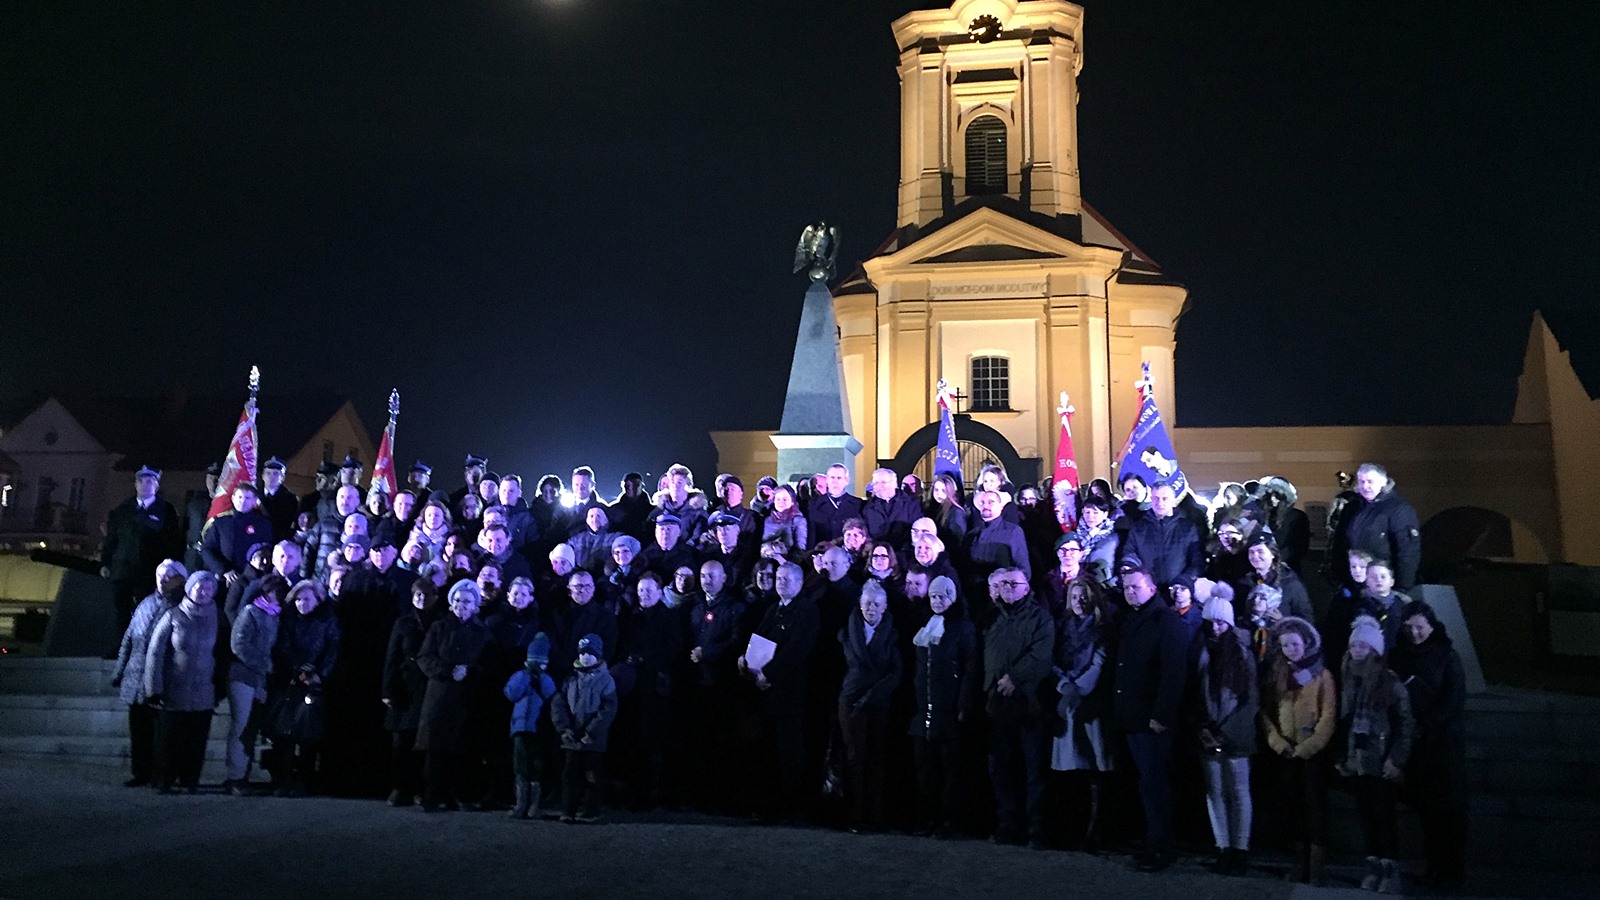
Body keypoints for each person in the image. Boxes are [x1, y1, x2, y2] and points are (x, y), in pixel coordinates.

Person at [1111, 563, 1190, 872]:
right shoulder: (1132, 618)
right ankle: (1149, 840)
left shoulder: (1165, 621)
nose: (1130, 592)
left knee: (1154, 784)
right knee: (1144, 784)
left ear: (1152, 587)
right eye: (1127, 587)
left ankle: (1161, 845)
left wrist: (1161, 714)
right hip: (1131, 715)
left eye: (1136, 587)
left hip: (1150, 719)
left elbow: (1173, 673)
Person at [1391, 600, 1468, 892]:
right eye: (1409, 627)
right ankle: (1433, 867)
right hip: (1416, 747)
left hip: (1443, 745)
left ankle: (1451, 871)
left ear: (1431, 626)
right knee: (1426, 814)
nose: (1415, 633)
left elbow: (1454, 699)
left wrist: (1427, 724)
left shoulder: (1447, 656)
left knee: (1448, 812)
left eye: (1419, 627)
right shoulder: (1400, 656)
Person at [1336, 616, 1414, 893]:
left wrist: (1396, 758)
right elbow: (1343, 721)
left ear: (1375, 650)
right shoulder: (1347, 678)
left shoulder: (1389, 683)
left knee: (1383, 816)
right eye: (1354, 645)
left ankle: (1390, 870)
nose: (1357, 650)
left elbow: (1405, 724)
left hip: (1380, 759)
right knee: (1366, 816)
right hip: (1356, 759)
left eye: (1363, 646)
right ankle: (1373, 867)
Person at [1259, 616, 1337, 885]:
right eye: (1285, 645)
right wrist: (1279, 743)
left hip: (1312, 753)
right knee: (1292, 806)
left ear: (1306, 643)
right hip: (1286, 752)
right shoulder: (1277, 674)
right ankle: (1298, 859)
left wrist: (1309, 746)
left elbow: (1328, 715)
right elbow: (1266, 713)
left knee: (1315, 808)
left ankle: (1317, 866)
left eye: (1294, 644)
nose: (1291, 650)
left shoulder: (1322, 675)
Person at [742, 561, 820, 822]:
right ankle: (768, 803)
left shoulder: (807, 612)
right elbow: (760, 637)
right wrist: (746, 660)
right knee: (768, 750)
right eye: (778, 579)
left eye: (787, 579)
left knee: (790, 751)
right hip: (766, 693)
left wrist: (769, 673)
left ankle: (792, 806)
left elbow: (796, 651)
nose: (781, 583)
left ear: (799, 583)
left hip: (790, 693)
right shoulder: (774, 609)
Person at [982, 566, 1055, 847]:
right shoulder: (993, 616)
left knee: (1033, 768)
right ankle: (1008, 823)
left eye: (1015, 583)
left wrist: (1015, 678)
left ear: (1027, 588)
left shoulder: (1040, 617)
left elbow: (1041, 654)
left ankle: (1036, 826)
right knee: (1002, 767)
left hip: (1029, 704)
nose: (1009, 589)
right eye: (1004, 584)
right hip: (996, 703)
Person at [905, 574, 978, 838]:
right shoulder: (924, 624)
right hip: (923, 707)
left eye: (942, 597)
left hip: (948, 708)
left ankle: (951, 821)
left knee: (950, 770)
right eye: (933, 596)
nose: (937, 601)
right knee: (926, 768)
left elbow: (969, 667)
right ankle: (929, 818)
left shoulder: (962, 627)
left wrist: (963, 703)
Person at [1191, 596, 1258, 876]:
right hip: (1209, 731)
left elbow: (1250, 698)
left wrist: (1226, 731)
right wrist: (1205, 728)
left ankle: (1240, 849)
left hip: (1235, 733)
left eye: (1220, 622)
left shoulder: (1242, 654)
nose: (1215, 627)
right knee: (1215, 791)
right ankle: (1223, 847)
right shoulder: (1202, 651)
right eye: (1211, 622)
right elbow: (1195, 692)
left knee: (1239, 791)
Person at [1048, 577, 1113, 850]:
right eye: (1074, 596)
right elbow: (1050, 660)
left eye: (1084, 596)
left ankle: (1095, 831)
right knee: (1069, 773)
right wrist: (1063, 685)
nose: (1079, 602)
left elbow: (1099, 663)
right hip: (1066, 704)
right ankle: (1069, 830)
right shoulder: (1061, 626)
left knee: (1094, 771)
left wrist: (1077, 689)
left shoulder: (1103, 629)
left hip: (1090, 705)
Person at [415, 580, 491, 812]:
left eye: (467, 602)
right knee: (435, 749)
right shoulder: (439, 627)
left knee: (462, 748)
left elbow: (488, 662)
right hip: (440, 694)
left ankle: (460, 795)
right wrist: (448, 671)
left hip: (467, 696)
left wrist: (469, 672)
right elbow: (424, 657)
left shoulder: (482, 632)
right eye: (457, 601)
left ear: (475, 606)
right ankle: (432, 794)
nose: (461, 606)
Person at [143, 570, 221, 794]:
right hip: (174, 689)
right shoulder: (173, 616)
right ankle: (165, 779)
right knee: (169, 740)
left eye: (208, 588)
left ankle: (190, 780)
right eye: (199, 586)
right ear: (189, 588)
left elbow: (223, 652)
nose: (203, 591)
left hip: (203, 691)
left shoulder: (218, 617)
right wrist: (153, 688)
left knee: (196, 741)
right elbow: (155, 652)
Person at [110, 558, 186, 787]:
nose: (163, 579)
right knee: (139, 730)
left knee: (160, 732)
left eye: (169, 575)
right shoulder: (145, 603)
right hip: (135, 678)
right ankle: (140, 772)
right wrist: (119, 671)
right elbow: (128, 640)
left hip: (161, 680)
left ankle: (160, 773)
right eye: (160, 575)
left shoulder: (180, 606)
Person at [836, 580, 901, 832]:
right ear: (859, 605)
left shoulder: (892, 635)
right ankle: (854, 815)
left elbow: (896, 672)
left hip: (879, 702)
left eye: (876, 604)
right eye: (867, 603)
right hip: (851, 701)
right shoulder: (847, 632)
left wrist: (874, 693)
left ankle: (874, 815)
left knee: (876, 758)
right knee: (854, 757)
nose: (871, 608)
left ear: (884, 608)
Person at [266, 579, 339, 797]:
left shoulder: (328, 620)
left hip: (315, 682)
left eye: (306, 599)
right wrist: (298, 670)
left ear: (317, 599)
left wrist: (318, 674)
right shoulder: (287, 620)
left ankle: (303, 780)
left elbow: (332, 650)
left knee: (309, 734)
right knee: (285, 733)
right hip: (290, 680)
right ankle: (283, 779)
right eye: (298, 599)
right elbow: (282, 647)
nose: (301, 603)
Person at [100, 465, 184, 633]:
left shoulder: (166, 510)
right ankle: (122, 646)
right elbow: (111, 539)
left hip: (150, 570)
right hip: (122, 569)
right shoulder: (123, 509)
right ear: (135, 484)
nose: (145, 485)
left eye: (149, 481)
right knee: (121, 610)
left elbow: (174, 540)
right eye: (140, 481)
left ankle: (143, 645)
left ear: (157, 485)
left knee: (147, 610)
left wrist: (172, 566)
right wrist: (105, 562)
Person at [224, 573, 287, 795]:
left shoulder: (277, 616)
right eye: (273, 591)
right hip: (243, 676)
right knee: (241, 725)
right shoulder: (251, 612)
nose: (277, 595)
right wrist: (264, 664)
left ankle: (243, 772)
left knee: (251, 727)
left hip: (261, 680)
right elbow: (239, 644)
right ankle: (235, 776)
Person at [382, 579, 440, 807]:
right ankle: (399, 787)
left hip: (427, 686)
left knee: (422, 742)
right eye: (418, 595)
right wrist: (387, 690)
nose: (422, 599)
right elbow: (392, 657)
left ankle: (419, 789)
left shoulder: (439, 622)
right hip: (404, 687)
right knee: (400, 741)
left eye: (426, 595)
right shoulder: (403, 623)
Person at [551, 633, 619, 823]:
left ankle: (591, 810)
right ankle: (568, 810)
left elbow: (608, 709)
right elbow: (559, 703)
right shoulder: (571, 678)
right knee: (569, 776)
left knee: (592, 776)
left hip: (593, 740)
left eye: (590, 653)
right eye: (583, 653)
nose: (586, 657)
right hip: (571, 738)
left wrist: (592, 732)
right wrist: (564, 728)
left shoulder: (606, 681)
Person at [1330, 463, 1421, 590]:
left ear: (1383, 482)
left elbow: (1407, 552)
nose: (1365, 486)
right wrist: (1337, 574)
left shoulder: (1399, 509)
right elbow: (1340, 541)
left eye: (1370, 481)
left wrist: (1403, 587)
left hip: (1381, 583)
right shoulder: (1352, 507)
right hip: (1353, 581)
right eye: (1362, 482)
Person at [503, 633, 556, 819]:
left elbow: (550, 695)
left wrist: (540, 678)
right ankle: (520, 804)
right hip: (520, 729)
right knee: (520, 767)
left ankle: (534, 806)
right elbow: (511, 693)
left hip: (538, 730)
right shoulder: (520, 676)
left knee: (536, 767)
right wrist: (526, 676)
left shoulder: (547, 679)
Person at [1118, 481, 1203, 591]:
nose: (1160, 503)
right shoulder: (1139, 527)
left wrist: (1184, 582)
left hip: (1179, 591)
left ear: (1173, 501)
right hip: (1147, 591)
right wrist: (1130, 568)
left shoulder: (1188, 528)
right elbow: (1129, 552)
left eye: (1164, 498)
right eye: (1156, 498)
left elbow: (1196, 561)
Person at [200, 484, 274, 585]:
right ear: (233, 498)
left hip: (252, 578)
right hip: (224, 578)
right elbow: (207, 549)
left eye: (247, 498)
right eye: (239, 497)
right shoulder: (221, 522)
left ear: (254, 500)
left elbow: (268, 550)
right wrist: (224, 570)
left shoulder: (263, 524)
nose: (242, 501)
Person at [807, 463, 864, 545]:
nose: (835, 481)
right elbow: (812, 533)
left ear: (846, 480)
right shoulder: (814, 504)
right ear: (827, 480)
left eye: (839, 478)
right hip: (823, 551)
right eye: (832, 477)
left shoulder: (858, 504)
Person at [761, 483, 808, 554]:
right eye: (778, 499)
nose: (781, 502)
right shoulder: (768, 520)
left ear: (792, 501)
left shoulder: (798, 520)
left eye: (785, 499)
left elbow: (800, 548)